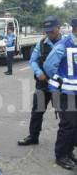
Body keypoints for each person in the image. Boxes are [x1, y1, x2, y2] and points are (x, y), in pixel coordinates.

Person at [18, 16, 62, 146]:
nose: (49, 34)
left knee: (66, 115)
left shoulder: (66, 43)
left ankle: (70, 140)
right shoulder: (42, 43)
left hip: (61, 86)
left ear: (59, 28)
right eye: (47, 31)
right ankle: (33, 136)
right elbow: (33, 61)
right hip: (43, 83)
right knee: (37, 111)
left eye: (52, 31)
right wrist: (39, 72)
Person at [43, 18, 77, 170]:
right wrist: (61, 79)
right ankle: (61, 155)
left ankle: (69, 152)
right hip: (65, 92)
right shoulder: (63, 45)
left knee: (75, 125)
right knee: (68, 124)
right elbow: (49, 66)